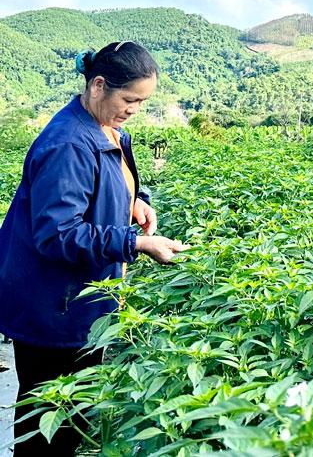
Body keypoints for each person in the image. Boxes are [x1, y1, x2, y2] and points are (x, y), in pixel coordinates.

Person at [0, 42, 187, 455]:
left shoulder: (108, 127)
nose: (135, 108)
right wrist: (135, 243)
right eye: (130, 99)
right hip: (53, 305)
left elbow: (106, 183)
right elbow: (57, 233)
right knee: (50, 426)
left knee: (73, 413)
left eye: (143, 101)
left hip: (79, 298)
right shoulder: (68, 143)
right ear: (99, 85)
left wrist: (135, 201)